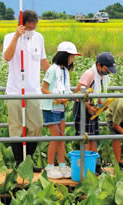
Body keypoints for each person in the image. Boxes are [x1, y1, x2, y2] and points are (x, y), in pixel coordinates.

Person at [3, 10, 49, 166]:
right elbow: (7, 57)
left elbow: (43, 60)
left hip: (33, 90)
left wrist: (53, 79)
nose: (31, 31)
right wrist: (17, 36)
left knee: (36, 126)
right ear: (21, 25)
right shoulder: (9, 37)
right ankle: (19, 163)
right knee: (16, 128)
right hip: (15, 90)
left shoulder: (39, 38)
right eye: (29, 28)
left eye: (34, 27)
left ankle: (28, 161)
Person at [41, 41, 81, 178]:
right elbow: (44, 89)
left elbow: (66, 89)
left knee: (61, 137)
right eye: (71, 56)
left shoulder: (65, 71)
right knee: (55, 137)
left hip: (60, 107)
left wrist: (72, 97)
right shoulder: (52, 70)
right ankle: (50, 166)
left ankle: (62, 165)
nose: (72, 59)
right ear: (64, 56)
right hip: (51, 107)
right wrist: (56, 98)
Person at [74, 52, 117, 152]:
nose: (108, 72)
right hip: (83, 108)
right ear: (99, 65)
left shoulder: (101, 76)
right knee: (86, 139)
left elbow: (96, 91)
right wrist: (88, 107)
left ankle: (94, 165)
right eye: (107, 69)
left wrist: (102, 104)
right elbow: (77, 92)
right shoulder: (89, 74)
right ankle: (86, 165)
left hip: (93, 109)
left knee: (94, 138)